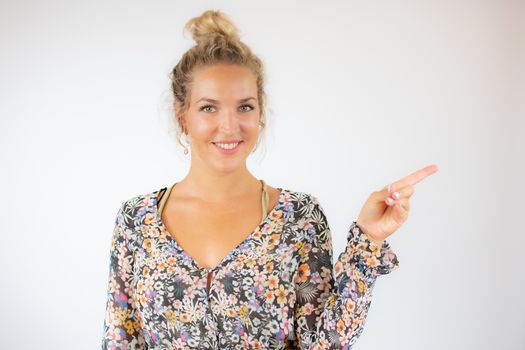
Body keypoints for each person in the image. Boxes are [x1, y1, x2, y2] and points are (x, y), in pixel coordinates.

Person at [101, 9, 438, 350]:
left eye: (244, 107)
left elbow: (324, 344)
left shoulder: (299, 217)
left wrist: (369, 240)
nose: (230, 126)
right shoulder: (137, 221)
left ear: (261, 113)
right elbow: (121, 341)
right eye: (209, 107)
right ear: (182, 116)